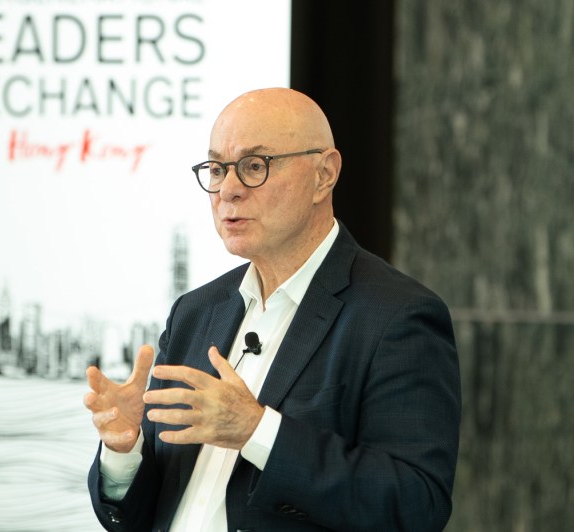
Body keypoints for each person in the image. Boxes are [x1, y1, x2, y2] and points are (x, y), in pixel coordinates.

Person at [84, 88, 461, 531]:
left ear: (324, 175)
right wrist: (125, 451)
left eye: (254, 166)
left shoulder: (396, 317)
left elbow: (416, 504)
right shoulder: (196, 312)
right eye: (217, 169)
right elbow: (142, 515)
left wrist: (257, 431)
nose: (228, 190)